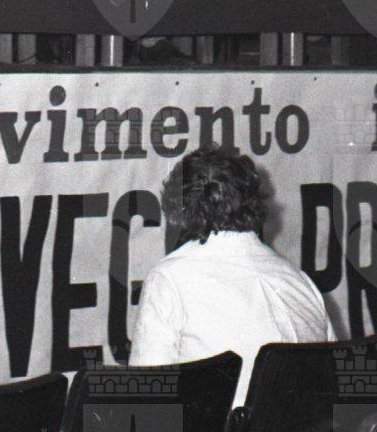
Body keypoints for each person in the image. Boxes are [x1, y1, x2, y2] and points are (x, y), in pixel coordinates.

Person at [130, 148, 332, 402]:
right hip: (302, 427)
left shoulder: (168, 279)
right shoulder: (302, 282)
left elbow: (145, 400)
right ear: (254, 203)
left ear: (179, 214)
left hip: (218, 428)